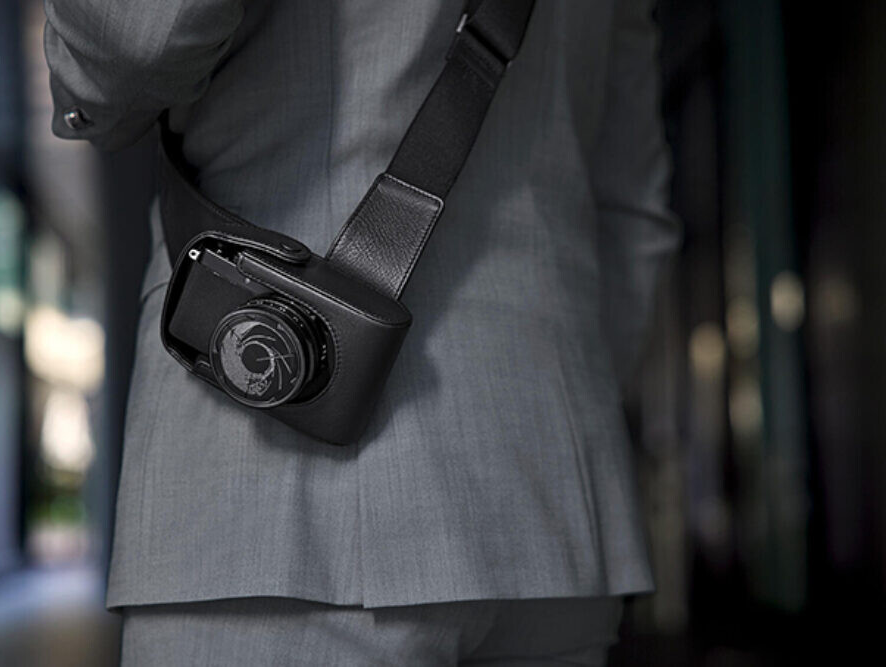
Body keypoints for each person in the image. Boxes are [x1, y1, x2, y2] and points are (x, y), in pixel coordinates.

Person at [44, 0, 680, 664]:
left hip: (281, 517)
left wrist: (81, 87)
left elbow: (139, 38)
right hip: (557, 515)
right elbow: (634, 216)